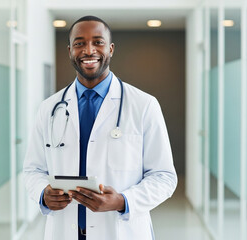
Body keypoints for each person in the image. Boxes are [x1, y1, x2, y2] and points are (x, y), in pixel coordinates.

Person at [23, 15, 177, 240]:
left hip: (120, 231)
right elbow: (33, 170)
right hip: (64, 231)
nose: (88, 50)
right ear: (69, 51)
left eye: (98, 42)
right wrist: (42, 194)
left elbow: (164, 176)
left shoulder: (143, 105)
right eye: (79, 43)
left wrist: (123, 201)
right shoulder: (49, 108)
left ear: (111, 49)